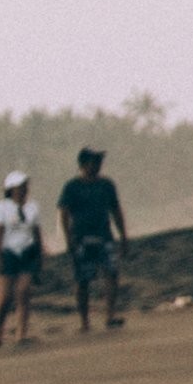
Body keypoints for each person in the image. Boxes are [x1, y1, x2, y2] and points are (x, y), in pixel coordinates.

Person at [59, 141, 128, 335]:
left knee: (111, 274)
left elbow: (116, 211)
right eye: (93, 161)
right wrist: (68, 239)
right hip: (81, 238)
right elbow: (63, 213)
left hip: (105, 236)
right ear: (82, 163)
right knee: (83, 280)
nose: (97, 165)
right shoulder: (72, 187)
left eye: (99, 161)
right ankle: (84, 320)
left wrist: (123, 236)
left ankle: (110, 315)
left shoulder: (107, 185)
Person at [0, 168, 45, 347]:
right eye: (20, 186)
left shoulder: (32, 207)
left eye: (25, 186)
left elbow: (36, 232)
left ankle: (21, 333)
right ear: (11, 188)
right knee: (4, 296)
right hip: (9, 252)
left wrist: (40, 253)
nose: (24, 189)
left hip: (27, 251)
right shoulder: (2, 207)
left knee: (24, 291)